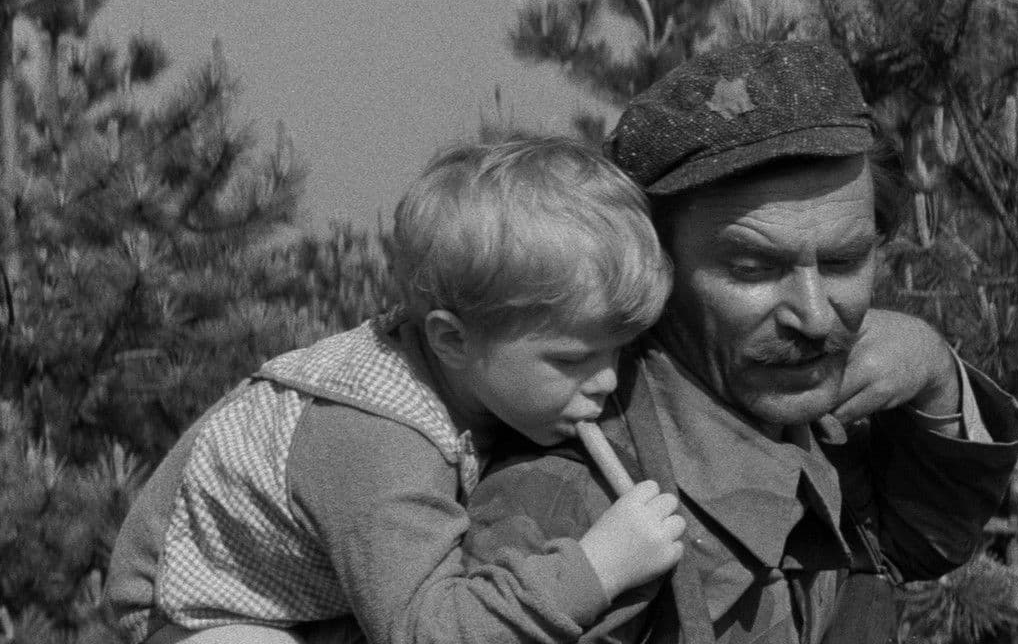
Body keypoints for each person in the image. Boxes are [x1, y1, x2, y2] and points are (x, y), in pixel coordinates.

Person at [462, 41, 1018, 643]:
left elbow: (918, 543)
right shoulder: (569, 508)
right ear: (648, 270)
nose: (815, 318)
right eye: (754, 269)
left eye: (843, 261)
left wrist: (935, 373)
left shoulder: (798, 416)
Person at [104, 136, 688, 644]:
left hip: (319, 599)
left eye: (619, 349)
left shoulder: (466, 372)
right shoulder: (379, 440)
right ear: (451, 339)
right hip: (203, 611)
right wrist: (598, 567)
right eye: (572, 358)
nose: (608, 379)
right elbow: (425, 632)